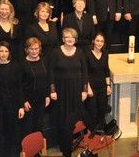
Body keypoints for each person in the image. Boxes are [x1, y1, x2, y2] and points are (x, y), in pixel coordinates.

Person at [48, 28, 88, 157]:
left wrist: (84, 91)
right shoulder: (56, 52)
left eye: (72, 37)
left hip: (76, 91)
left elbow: (85, 73)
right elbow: (50, 73)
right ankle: (66, 149)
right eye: (67, 37)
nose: (69, 39)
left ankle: (69, 145)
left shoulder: (80, 52)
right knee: (63, 120)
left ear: (75, 39)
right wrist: (52, 90)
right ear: (63, 39)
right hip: (61, 91)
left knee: (72, 120)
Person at [0, 41, 24, 157]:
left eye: (6, 51)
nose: (3, 53)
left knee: (12, 134)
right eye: (1, 51)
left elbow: (19, 87)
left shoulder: (16, 66)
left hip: (12, 106)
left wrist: (21, 106)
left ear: (9, 53)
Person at [21, 37, 50, 134]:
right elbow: (19, 85)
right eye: (31, 49)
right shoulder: (22, 64)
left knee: (39, 126)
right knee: (27, 127)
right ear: (26, 50)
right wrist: (24, 101)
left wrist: (47, 95)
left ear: (40, 49)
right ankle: (27, 149)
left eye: (36, 48)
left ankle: (37, 148)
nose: (34, 51)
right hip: (28, 101)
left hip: (41, 99)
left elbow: (47, 80)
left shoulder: (44, 61)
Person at [85, 33, 112, 132]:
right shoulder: (87, 54)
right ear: (93, 41)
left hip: (102, 87)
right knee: (92, 111)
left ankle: (101, 133)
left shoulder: (105, 53)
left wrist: (108, 86)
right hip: (91, 87)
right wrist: (88, 88)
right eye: (97, 40)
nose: (99, 43)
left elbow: (106, 71)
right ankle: (92, 132)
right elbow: (85, 73)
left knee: (102, 110)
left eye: (101, 41)